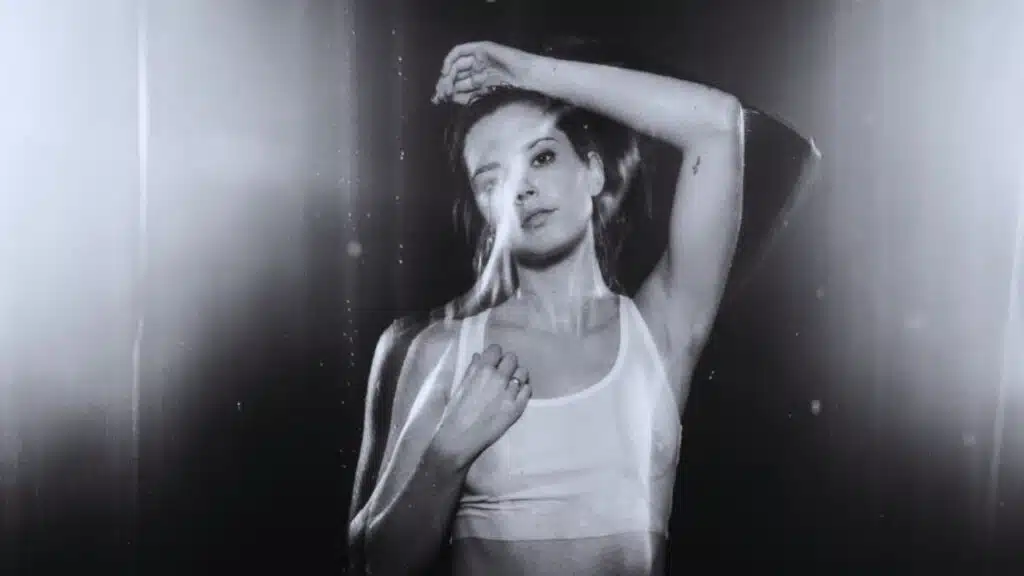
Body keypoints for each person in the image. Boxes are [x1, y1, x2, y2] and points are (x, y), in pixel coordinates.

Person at [348, 39, 745, 575]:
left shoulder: (660, 331)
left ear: (594, 172)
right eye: (492, 181)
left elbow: (717, 123)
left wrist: (524, 70)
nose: (522, 189)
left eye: (541, 157)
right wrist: (446, 454)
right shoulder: (445, 352)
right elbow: (375, 565)